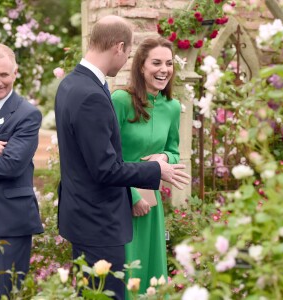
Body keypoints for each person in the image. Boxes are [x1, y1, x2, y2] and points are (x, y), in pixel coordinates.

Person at [54, 15, 189, 300]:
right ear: (119, 47)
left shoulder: (72, 85)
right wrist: (155, 170)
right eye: (128, 52)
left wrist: (163, 158)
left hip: (87, 216)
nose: (125, 58)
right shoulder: (94, 94)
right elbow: (105, 168)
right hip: (101, 220)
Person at [111, 36, 179, 296]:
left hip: (153, 203)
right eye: (157, 63)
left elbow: (173, 152)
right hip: (121, 200)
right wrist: (133, 195)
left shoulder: (172, 107)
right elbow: (108, 156)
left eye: (169, 63)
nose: (164, 69)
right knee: (128, 270)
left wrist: (163, 158)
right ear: (141, 66)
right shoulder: (120, 100)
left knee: (152, 274)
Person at [0, 43, 43, 299]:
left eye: (4, 74)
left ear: (15, 73)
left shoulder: (27, 114)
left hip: (9, 223)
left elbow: (10, 165)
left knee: (5, 294)